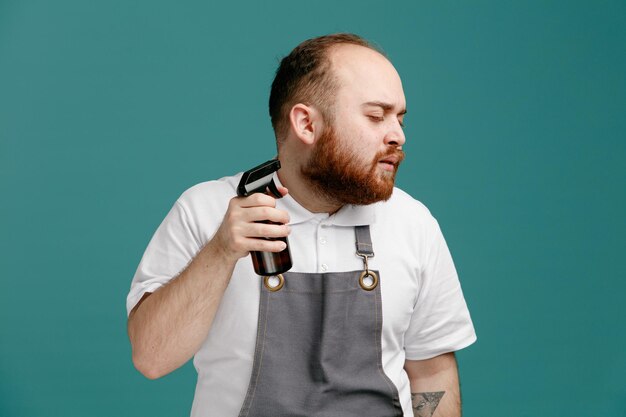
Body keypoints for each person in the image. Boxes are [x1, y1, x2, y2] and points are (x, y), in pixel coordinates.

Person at [127, 33, 476, 417]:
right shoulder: (206, 209)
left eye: (400, 118)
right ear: (306, 124)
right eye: (376, 116)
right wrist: (221, 251)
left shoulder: (413, 223)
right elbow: (151, 357)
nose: (398, 135)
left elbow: (431, 373)